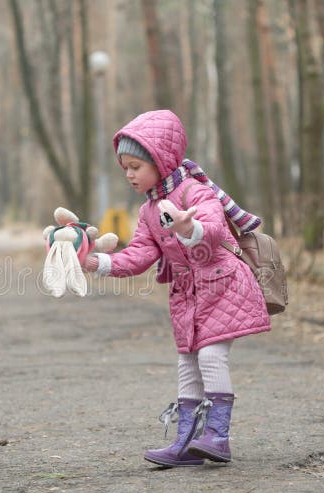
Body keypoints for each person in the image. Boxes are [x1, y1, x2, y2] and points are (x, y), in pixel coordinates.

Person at [81, 109, 270, 467]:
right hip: (187, 295)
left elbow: (213, 229)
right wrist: (96, 263)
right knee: (187, 363)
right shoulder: (149, 211)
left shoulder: (195, 192)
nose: (129, 174)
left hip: (222, 284)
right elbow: (139, 255)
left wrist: (188, 229)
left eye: (136, 165)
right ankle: (186, 442)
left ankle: (218, 435)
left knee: (212, 356)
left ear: (160, 159)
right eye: (125, 168)